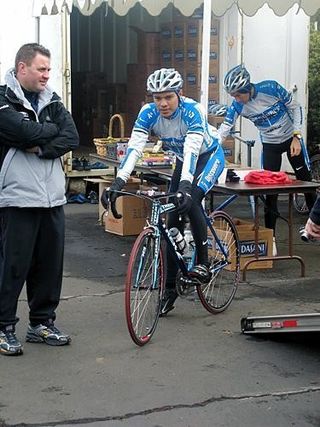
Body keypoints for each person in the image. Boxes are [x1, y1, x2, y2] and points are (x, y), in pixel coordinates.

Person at [101, 67, 225, 316]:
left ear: (179, 94)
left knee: (190, 202)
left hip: (207, 157)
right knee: (171, 223)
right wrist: (118, 183)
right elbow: (134, 148)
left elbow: (192, 149)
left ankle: (202, 263)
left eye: (168, 97)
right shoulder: (148, 113)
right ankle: (169, 290)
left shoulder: (192, 111)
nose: (163, 103)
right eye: (157, 98)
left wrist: (186, 188)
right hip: (183, 160)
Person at [0, 43, 79, 356]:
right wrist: (46, 133)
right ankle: (4, 326)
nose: (48, 75)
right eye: (41, 69)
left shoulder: (53, 100)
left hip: (52, 198)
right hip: (17, 198)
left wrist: (41, 145)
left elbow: (71, 136)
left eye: (49, 69)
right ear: (22, 68)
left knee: (49, 265)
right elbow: (19, 130)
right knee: (12, 266)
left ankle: (41, 322)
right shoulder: (3, 98)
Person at [218, 64, 316, 244]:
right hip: (270, 145)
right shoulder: (237, 106)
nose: (237, 99)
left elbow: (296, 107)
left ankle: (315, 228)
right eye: (233, 96)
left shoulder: (270, 88)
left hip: (290, 139)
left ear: (247, 87)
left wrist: (297, 135)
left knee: (306, 183)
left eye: (239, 94)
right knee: (270, 191)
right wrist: (211, 149)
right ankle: (269, 237)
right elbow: (225, 129)